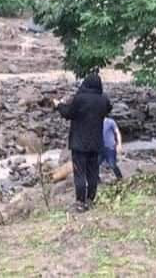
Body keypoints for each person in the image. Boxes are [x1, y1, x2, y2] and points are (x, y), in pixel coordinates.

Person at [55, 73, 112, 212]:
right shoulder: (103, 99)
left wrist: (59, 105)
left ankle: (80, 202)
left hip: (79, 143)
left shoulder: (80, 98)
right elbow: (108, 109)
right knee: (93, 173)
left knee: (79, 173)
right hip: (96, 143)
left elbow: (68, 113)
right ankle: (90, 200)